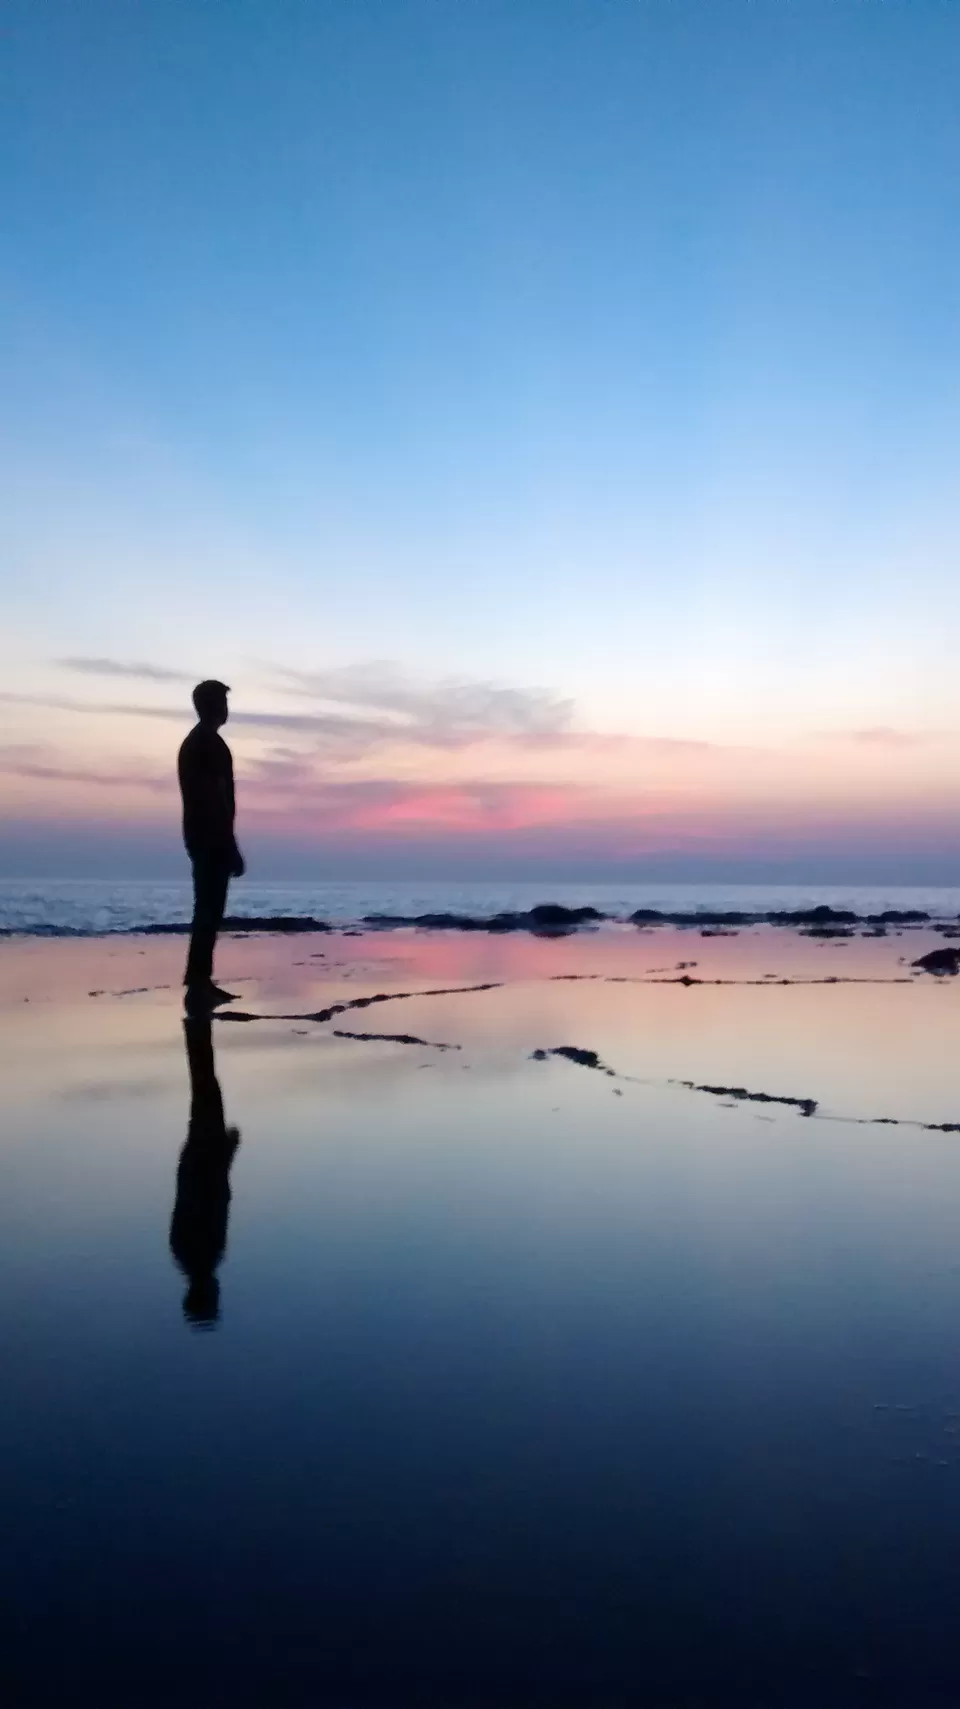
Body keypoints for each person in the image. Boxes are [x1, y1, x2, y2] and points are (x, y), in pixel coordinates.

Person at [178, 678, 245, 1010]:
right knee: (208, 909)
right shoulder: (205, 744)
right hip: (208, 835)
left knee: (209, 909)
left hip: (204, 834)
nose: (225, 709)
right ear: (209, 706)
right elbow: (214, 797)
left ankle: (200, 980)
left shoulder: (204, 742)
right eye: (221, 702)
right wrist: (229, 844)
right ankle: (198, 983)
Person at [170, 1016, 240, 1327]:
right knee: (206, 1086)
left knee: (205, 1086)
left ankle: (196, 1027)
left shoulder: (197, 1255)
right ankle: (196, 1027)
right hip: (203, 1156)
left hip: (204, 1155)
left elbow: (205, 1198)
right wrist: (224, 1154)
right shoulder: (190, 1255)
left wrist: (224, 1153)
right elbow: (210, 1198)